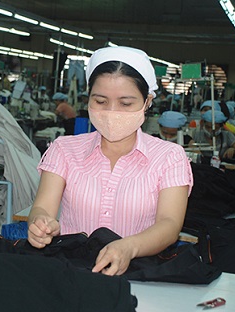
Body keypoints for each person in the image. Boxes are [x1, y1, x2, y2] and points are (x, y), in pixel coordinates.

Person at [27, 46, 193, 276]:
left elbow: (169, 224)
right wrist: (40, 223)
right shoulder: (64, 149)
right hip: (70, 271)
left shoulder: (169, 157)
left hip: (137, 274)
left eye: (126, 104)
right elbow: (43, 207)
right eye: (101, 101)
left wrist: (129, 246)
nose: (112, 112)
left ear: (147, 102)